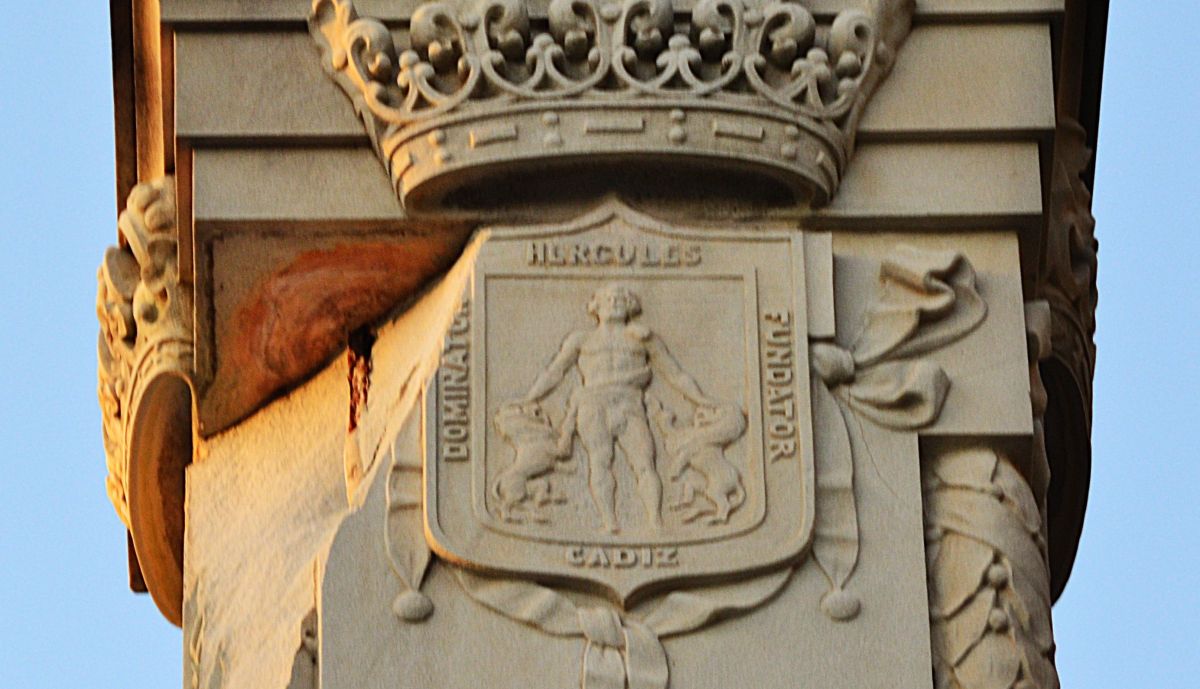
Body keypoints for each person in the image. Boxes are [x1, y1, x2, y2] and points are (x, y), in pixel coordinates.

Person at [522, 284, 714, 533]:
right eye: (609, 299)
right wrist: (529, 399)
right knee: (600, 462)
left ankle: (655, 521)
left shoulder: (643, 338)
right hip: (594, 404)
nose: (614, 303)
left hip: (629, 404)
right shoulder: (582, 339)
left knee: (644, 463)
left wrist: (700, 400)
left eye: (620, 300)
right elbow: (554, 372)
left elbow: (674, 373)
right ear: (596, 306)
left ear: (630, 306)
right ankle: (609, 522)